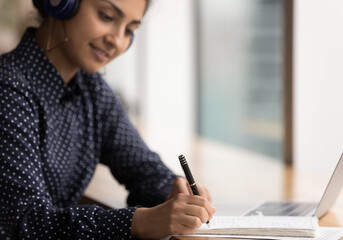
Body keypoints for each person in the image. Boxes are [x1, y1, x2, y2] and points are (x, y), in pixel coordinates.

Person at [0, 0, 216, 239]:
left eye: (129, 30)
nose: (117, 41)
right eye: (106, 16)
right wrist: (139, 222)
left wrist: (173, 193)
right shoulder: (7, 88)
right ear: (60, 4)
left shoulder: (93, 90)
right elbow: (26, 222)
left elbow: (143, 168)